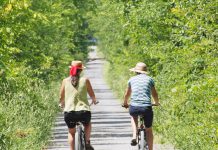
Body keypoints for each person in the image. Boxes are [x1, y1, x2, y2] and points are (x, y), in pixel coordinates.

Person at [59, 60, 98, 150]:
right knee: (87, 124)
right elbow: (92, 94)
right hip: (84, 112)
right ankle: (87, 142)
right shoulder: (85, 80)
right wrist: (94, 100)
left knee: (71, 133)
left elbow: (61, 96)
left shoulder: (65, 81)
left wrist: (61, 103)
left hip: (69, 113)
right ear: (81, 70)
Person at [123, 62, 160, 150]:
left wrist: (125, 103)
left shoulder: (131, 79)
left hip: (134, 106)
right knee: (149, 130)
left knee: (133, 116)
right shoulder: (150, 79)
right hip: (146, 107)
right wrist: (156, 102)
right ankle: (150, 149)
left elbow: (127, 94)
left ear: (136, 71)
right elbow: (154, 94)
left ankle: (134, 135)